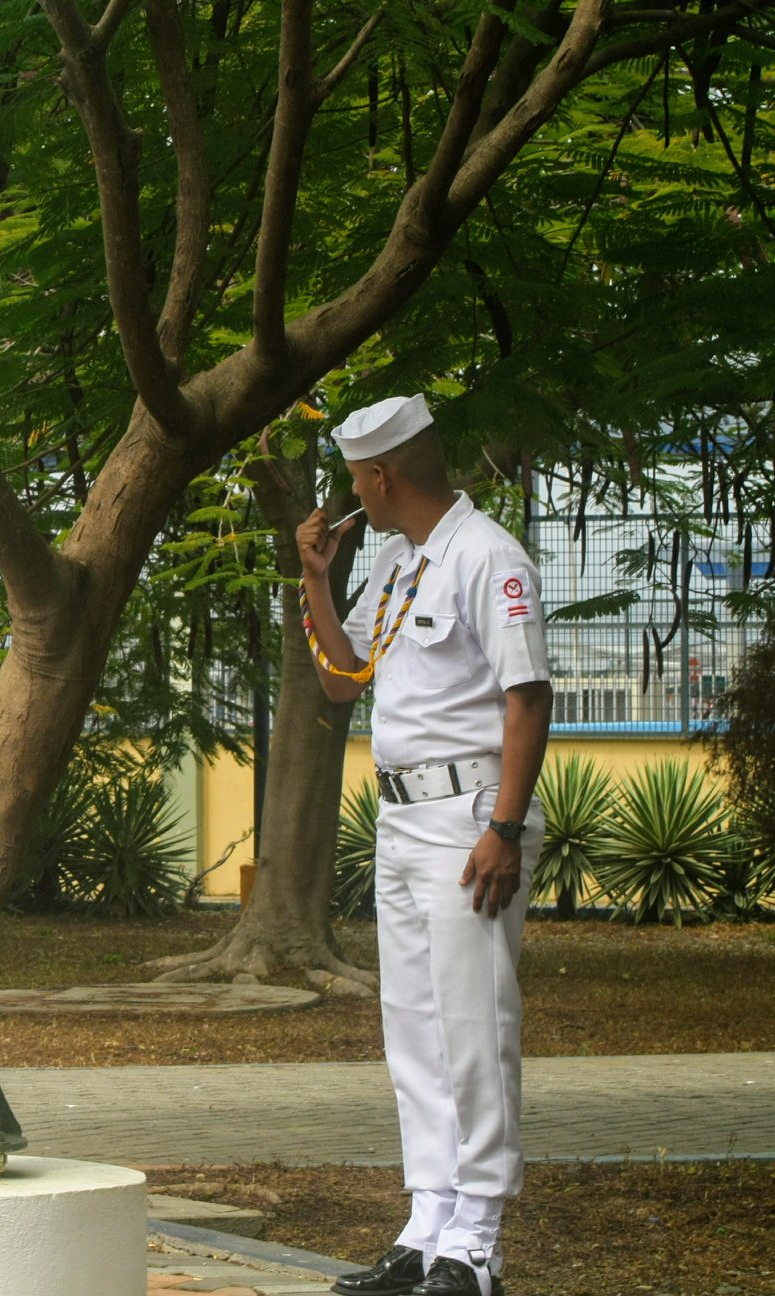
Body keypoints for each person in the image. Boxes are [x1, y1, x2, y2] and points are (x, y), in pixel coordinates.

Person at [297, 395, 553, 1296]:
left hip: (470, 820)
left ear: (380, 477)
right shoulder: (399, 561)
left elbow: (529, 697)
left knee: (473, 1026)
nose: (349, 497)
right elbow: (342, 681)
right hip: (402, 820)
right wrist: (318, 580)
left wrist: (504, 829)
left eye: (353, 482)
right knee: (413, 1027)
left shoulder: (487, 557)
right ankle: (429, 1221)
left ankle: (476, 1241)